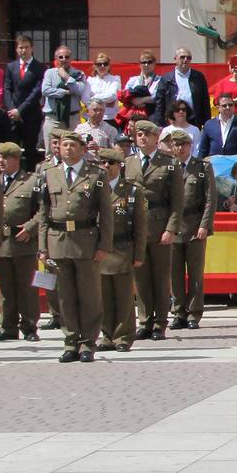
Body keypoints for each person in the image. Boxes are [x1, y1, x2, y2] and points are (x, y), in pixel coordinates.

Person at [37, 131, 112, 362]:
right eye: (64, 145)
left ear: (82, 149)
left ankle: (88, 342)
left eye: (73, 145)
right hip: (58, 240)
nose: (67, 149)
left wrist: (103, 245)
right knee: (65, 296)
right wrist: (42, 245)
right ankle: (70, 341)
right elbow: (43, 212)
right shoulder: (49, 174)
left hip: (86, 240)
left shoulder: (96, 174)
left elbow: (106, 215)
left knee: (89, 295)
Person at [127, 121, 181, 339]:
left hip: (159, 225)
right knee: (140, 277)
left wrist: (171, 228)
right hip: (136, 227)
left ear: (155, 138)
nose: (142, 138)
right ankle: (145, 320)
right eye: (139, 134)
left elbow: (177, 201)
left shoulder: (169, 163)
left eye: (147, 135)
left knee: (160, 276)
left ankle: (160, 322)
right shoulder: (128, 163)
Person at [0, 142, 43, 342]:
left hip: (23, 242)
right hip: (1, 242)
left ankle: (29, 327)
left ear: (16, 159)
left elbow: (43, 209)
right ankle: (8, 326)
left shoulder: (31, 181)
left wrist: (30, 227)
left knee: (27, 288)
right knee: (5, 288)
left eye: (5, 157)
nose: (1, 161)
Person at [164, 127, 216, 331]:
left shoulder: (201, 166)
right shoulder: (169, 167)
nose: (180, 148)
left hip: (194, 225)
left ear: (190, 145)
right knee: (175, 274)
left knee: (195, 273)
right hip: (174, 226)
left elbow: (210, 199)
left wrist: (205, 225)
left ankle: (194, 313)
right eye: (176, 144)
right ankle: (179, 312)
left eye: (183, 144)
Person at [96, 149, 145, 352]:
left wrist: (139, 254)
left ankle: (123, 336)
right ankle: (107, 335)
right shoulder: (96, 188)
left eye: (111, 163)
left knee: (124, 297)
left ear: (119, 166)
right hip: (101, 252)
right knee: (104, 297)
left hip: (123, 249)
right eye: (103, 163)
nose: (106, 166)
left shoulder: (131, 191)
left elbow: (140, 226)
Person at [4, 38, 47, 170]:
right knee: (12, 149)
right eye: (21, 47)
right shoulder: (11, 67)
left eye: (26, 47)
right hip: (13, 116)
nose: (24, 50)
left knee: (30, 150)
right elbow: (7, 89)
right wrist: (12, 109)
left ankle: (30, 178)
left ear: (32, 48)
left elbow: (36, 92)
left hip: (30, 115)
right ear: (17, 49)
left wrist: (20, 111)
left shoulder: (40, 68)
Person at [152, 47, 212, 126]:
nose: (185, 60)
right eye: (182, 57)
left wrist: (207, 123)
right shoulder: (166, 79)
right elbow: (159, 103)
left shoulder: (199, 77)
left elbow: (205, 101)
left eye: (188, 58)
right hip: (173, 121)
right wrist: (159, 124)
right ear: (175, 59)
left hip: (193, 120)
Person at [39, 46, 86, 143]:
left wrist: (67, 77)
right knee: (51, 152)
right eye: (61, 57)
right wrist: (64, 92)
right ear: (56, 59)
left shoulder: (78, 73)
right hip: (53, 118)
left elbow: (79, 90)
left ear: (71, 58)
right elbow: (45, 90)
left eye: (67, 57)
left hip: (72, 118)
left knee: (72, 150)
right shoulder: (50, 73)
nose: (64, 59)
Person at [84, 53, 122, 122]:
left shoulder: (115, 79)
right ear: (95, 66)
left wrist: (93, 99)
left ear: (109, 66)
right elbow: (85, 98)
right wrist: (105, 102)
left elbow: (112, 95)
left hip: (109, 117)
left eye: (105, 64)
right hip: (92, 118)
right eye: (99, 64)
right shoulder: (90, 80)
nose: (102, 66)